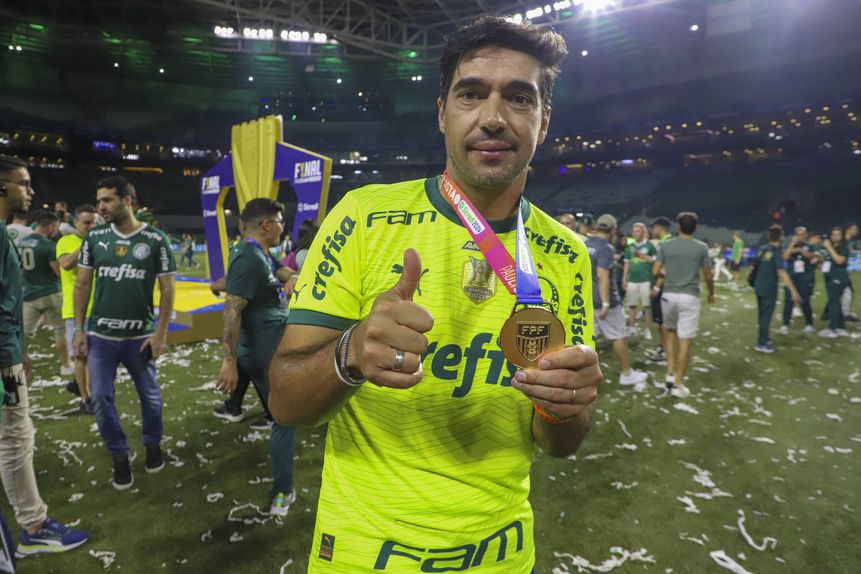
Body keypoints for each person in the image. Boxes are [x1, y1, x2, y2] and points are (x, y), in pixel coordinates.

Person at [268, 17, 602, 573]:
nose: (493, 117)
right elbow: (284, 402)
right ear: (443, 112)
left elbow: (559, 444)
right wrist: (351, 352)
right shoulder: (363, 216)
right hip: (365, 552)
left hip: (501, 553)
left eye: (519, 98)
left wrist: (567, 404)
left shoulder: (567, 254)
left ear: (543, 121)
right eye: (471, 94)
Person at [0, 154, 90, 555]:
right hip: (4, 358)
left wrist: (18, 350)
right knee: (15, 438)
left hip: (11, 347)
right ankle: (34, 526)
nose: (30, 190)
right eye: (23, 182)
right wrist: (8, 358)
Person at [73, 176, 176, 489]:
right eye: (99, 201)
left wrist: (160, 334)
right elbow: (82, 284)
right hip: (100, 337)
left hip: (139, 337)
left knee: (151, 397)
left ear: (127, 200)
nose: (101, 207)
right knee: (100, 398)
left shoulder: (156, 239)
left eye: (107, 200)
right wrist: (79, 328)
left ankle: (153, 445)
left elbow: (168, 289)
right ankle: (119, 455)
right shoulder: (94, 238)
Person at [215, 198, 298, 515]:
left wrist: (293, 278)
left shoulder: (258, 251)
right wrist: (228, 361)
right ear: (266, 225)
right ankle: (282, 492)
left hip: (267, 347)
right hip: (265, 353)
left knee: (279, 415)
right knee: (284, 419)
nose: (282, 227)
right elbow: (231, 311)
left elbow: (281, 270)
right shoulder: (248, 257)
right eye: (279, 221)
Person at [652, 212, 714, 397]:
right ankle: (678, 382)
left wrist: (670, 272)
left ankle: (670, 373)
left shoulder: (665, 245)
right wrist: (711, 293)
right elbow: (708, 275)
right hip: (689, 296)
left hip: (669, 295)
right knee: (685, 340)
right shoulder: (701, 247)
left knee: (670, 333)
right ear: (696, 227)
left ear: (678, 226)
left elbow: (655, 271)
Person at [587, 215, 648, 386]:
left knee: (587, 338)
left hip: (588, 297)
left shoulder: (587, 244)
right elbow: (602, 276)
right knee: (619, 335)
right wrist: (606, 302)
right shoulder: (605, 248)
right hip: (603, 301)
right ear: (613, 230)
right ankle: (627, 374)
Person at [18, 211, 72, 376]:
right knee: (59, 330)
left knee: (22, 333)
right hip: (51, 293)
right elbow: (58, 272)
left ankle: (19, 362)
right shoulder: (48, 245)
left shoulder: (21, 242)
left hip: (29, 294)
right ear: (51, 227)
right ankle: (65, 365)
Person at [56, 204, 98, 412]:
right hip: (77, 310)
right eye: (87, 222)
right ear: (76, 223)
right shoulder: (67, 241)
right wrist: (89, 243)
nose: (91, 226)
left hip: (100, 308)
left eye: (95, 223)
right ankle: (85, 399)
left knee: (98, 356)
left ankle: (79, 383)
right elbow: (65, 264)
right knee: (82, 356)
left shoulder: (101, 243)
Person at [752, 226, 801, 352]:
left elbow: (755, 266)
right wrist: (794, 290)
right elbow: (781, 271)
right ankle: (762, 343)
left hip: (759, 286)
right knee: (766, 316)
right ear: (781, 237)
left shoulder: (763, 249)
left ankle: (764, 337)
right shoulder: (776, 251)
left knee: (762, 314)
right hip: (769, 288)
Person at [778, 226, 818, 335]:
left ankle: (809, 324)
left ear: (806, 235)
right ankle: (785, 324)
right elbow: (785, 257)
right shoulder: (791, 246)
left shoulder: (810, 246)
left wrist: (800, 250)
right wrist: (792, 245)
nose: (801, 237)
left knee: (805, 300)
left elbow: (811, 256)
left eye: (802, 234)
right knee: (788, 300)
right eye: (798, 235)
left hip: (805, 277)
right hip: (792, 277)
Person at [645, 216, 672, 363]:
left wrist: (657, 286)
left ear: (660, 228)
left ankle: (666, 351)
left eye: (654, 227)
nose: (652, 230)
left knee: (663, 321)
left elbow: (665, 268)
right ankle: (663, 347)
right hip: (663, 286)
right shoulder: (666, 242)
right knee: (661, 320)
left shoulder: (666, 243)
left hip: (662, 287)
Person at [623, 222, 656, 340]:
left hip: (645, 280)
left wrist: (644, 257)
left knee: (646, 307)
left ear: (643, 232)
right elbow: (627, 263)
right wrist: (624, 278)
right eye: (633, 231)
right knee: (632, 305)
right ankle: (632, 329)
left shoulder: (650, 246)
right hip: (632, 280)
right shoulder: (630, 247)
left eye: (638, 231)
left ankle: (647, 330)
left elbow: (655, 261)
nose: (635, 234)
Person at [818, 226, 851, 338]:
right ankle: (840, 327)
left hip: (838, 277)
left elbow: (839, 260)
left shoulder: (843, 247)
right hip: (829, 276)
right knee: (835, 301)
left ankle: (832, 329)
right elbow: (827, 262)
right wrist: (820, 263)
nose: (835, 237)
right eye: (833, 234)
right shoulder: (831, 247)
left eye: (838, 234)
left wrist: (828, 247)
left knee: (833, 302)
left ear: (842, 236)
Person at [842, 222, 858, 322]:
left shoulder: (847, 242)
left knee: (838, 293)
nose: (856, 231)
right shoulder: (843, 242)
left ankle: (826, 314)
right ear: (848, 230)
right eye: (854, 229)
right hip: (840, 271)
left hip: (843, 270)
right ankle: (845, 314)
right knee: (848, 291)